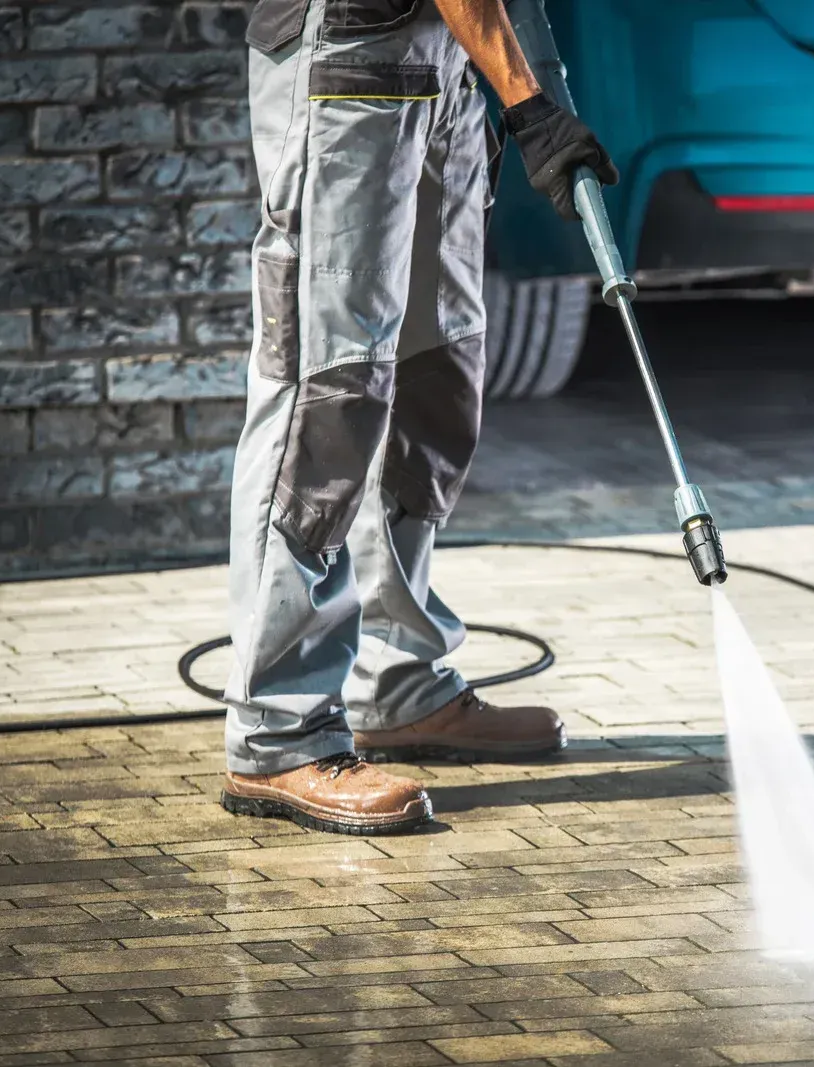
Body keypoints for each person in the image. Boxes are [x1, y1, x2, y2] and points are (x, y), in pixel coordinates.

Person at [219, 0, 618, 834]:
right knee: (328, 392)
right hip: (346, 61)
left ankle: (398, 680)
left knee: (436, 377)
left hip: (445, 69)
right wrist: (528, 100)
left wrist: (534, 86)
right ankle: (279, 731)